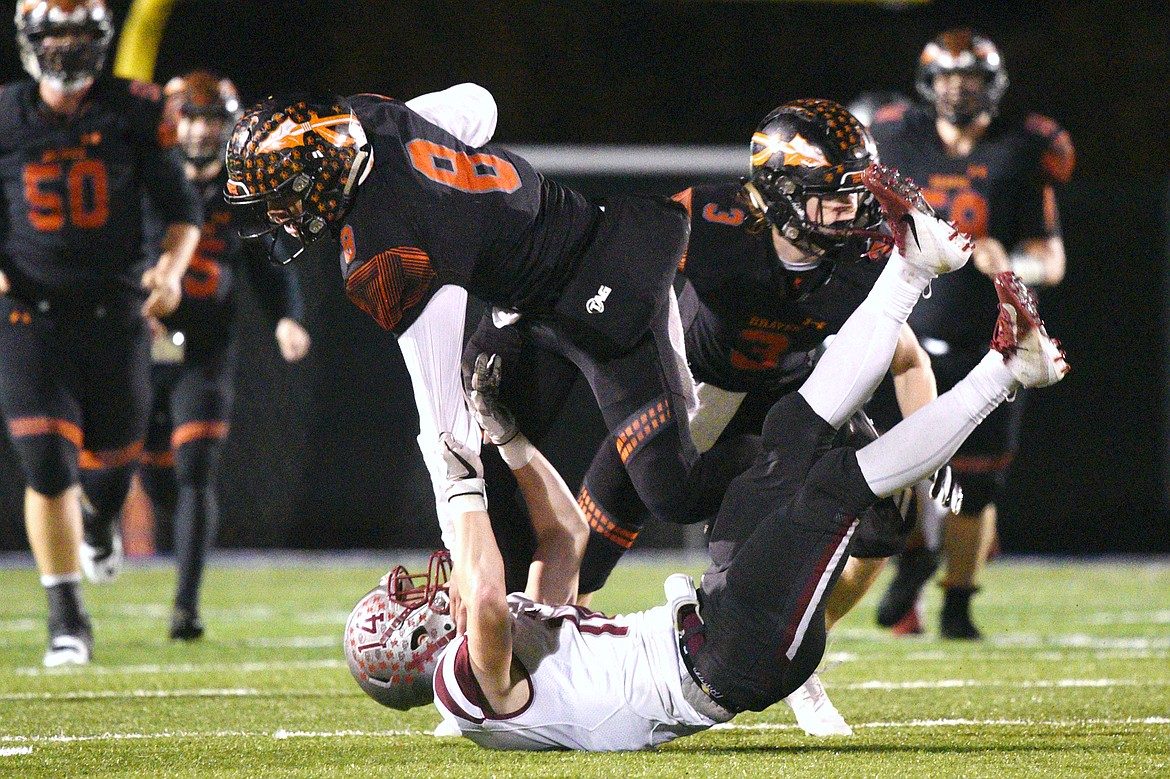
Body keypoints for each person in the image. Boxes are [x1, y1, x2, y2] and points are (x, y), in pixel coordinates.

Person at [343, 166, 1070, 750]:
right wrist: (460, 486)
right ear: (410, 644)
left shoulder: (501, 649)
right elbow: (492, 607)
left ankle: (915, 271)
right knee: (839, 480)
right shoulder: (463, 691)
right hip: (730, 655)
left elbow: (563, 538)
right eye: (408, 603)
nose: (426, 589)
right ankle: (1005, 372)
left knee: (794, 424)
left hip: (717, 619)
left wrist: (506, 440)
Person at [555, 99, 943, 734]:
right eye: (834, 195)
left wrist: (928, 451)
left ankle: (797, 651)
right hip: (701, 387)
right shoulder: (714, 221)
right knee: (598, 533)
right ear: (781, 191)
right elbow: (624, 264)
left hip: (801, 402)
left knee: (892, 514)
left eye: (857, 193)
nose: (854, 211)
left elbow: (909, 361)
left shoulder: (863, 258)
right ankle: (527, 675)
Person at [222, 87, 701, 578]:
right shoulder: (373, 119)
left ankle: (774, 470)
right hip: (525, 306)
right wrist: (418, 130)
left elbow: (443, 426)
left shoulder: (386, 249)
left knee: (673, 491)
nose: (279, 218)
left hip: (604, 276)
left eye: (282, 199)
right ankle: (528, 617)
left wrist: (461, 554)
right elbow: (481, 105)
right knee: (492, 493)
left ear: (320, 171)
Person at [0, 0, 202, 666]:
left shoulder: (133, 109)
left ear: (102, 39)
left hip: (115, 313)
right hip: (30, 313)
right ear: (28, 38)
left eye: (77, 33)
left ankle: (98, 521)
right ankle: (66, 618)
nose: (63, 47)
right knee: (46, 464)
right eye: (52, 33)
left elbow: (182, 210)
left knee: (113, 463)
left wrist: (170, 271)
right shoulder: (6, 114)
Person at [867, 28, 1075, 639]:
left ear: (993, 85)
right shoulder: (896, 138)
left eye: (972, 79)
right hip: (907, 340)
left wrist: (1012, 261)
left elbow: (1051, 260)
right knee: (894, 470)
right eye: (950, 78)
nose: (959, 91)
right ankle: (910, 563)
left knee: (976, 486)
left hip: (991, 342)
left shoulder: (1018, 150)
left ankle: (957, 604)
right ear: (929, 84)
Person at [136, 70, 311, 641]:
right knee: (148, 473)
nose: (201, 130)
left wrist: (288, 317)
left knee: (194, 472)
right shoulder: (148, 181)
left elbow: (270, 262)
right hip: (140, 347)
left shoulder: (241, 194)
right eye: (192, 116)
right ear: (173, 121)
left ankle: (185, 606)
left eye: (213, 119)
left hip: (207, 350)